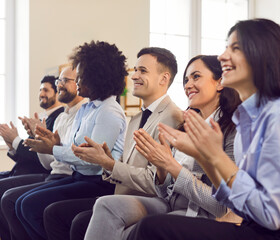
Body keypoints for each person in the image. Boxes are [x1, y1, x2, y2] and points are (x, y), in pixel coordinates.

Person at [128, 19, 280, 240]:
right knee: (151, 226)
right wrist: (204, 156)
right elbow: (234, 203)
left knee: (153, 228)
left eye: (235, 48)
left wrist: (215, 156)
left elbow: (272, 215)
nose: (222, 56)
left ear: (262, 56)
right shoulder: (247, 120)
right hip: (260, 226)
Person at [82, 55, 241, 240]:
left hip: (199, 211)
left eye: (196, 77)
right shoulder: (187, 124)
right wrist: (161, 169)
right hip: (168, 203)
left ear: (220, 82)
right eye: (186, 80)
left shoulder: (232, 130)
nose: (188, 85)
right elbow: (164, 191)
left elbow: (221, 206)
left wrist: (172, 166)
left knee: (129, 233)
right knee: (105, 205)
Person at [41, 47, 183, 240]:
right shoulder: (136, 117)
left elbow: (158, 182)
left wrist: (108, 163)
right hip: (120, 192)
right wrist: (106, 161)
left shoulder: (172, 117)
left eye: (143, 71)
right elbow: (122, 165)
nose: (134, 76)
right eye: (135, 70)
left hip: (147, 200)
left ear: (164, 79)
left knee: (68, 218)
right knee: (60, 214)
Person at [12, 41, 127, 240]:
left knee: (32, 206)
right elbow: (73, 149)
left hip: (99, 183)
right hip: (78, 177)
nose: (78, 80)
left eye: (81, 76)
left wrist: (53, 149)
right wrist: (54, 143)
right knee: (22, 203)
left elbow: (90, 158)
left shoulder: (109, 112)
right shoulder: (86, 108)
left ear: (96, 77)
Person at [0, 66, 87, 240]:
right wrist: (38, 139)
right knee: (12, 199)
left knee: (13, 199)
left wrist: (32, 140)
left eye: (64, 81)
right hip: (54, 173)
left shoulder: (83, 114)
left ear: (80, 83)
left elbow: (69, 159)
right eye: (58, 81)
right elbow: (49, 162)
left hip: (68, 176)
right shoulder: (63, 117)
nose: (60, 84)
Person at [0, 75, 64, 178]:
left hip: (36, 176)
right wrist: (12, 147)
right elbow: (26, 157)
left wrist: (15, 139)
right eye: (40, 90)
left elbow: (40, 156)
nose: (41, 94)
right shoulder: (40, 119)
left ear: (57, 93)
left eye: (46, 90)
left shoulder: (60, 118)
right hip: (16, 173)